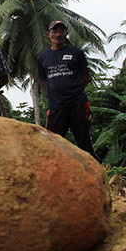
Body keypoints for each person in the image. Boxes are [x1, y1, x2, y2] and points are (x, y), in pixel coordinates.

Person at [36, 20, 97, 159]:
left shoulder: (76, 53)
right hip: (56, 106)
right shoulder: (42, 58)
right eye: (54, 31)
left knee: (84, 143)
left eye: (61, 31)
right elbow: (44, 81)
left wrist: (73, 91)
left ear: (66, 33)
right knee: (51, 144)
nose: (58, 34)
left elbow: (85, 78)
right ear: (48, 34)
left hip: (77, 104)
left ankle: (96, 174)